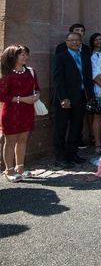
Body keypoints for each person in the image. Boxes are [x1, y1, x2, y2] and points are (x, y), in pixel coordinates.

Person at [53, 32, 95, 169]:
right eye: (71, 41)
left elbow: (88, 77)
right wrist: (63, 98)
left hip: (81, 96)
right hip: (65, 98)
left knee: (76, 127)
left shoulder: (84, 56)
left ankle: (72, 153)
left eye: (77, 40)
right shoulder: (61, 57)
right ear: (66, 42)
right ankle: (60, 157)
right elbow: (58, 80)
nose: (75, 43)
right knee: (61, 127)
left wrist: (91, 95)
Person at [0, 45, 41, 182]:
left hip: (27, 110)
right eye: (22, 54)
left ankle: (20, 168)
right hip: (12, 111)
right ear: (13, 56)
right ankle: (9, 170)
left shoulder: (30, 71)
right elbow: (2, 96)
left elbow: (37, 89)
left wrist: (36, 96)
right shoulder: (7, 74)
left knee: (23, 139)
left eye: (26, 54)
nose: (25, 57)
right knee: (10, 141)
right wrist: (22, 99)